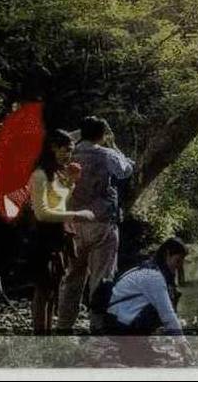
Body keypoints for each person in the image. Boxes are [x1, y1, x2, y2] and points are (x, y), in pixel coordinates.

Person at [55, 116, 135, 332]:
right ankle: (97, 325)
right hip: (101, 223)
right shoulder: (107, 154)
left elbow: (57, 141)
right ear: (101, 135)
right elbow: (125, 171)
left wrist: (81, 133)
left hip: (72, 222)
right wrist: (114, 146)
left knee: (72, 276)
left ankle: (64, 325)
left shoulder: (67, 152)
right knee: (101, 277)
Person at [27, 129, 95, 334]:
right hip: (42, 236)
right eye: (65, 150)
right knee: (42, 290)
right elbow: (42, 213)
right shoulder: (39, 174)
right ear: (52, 148)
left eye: (71, 151)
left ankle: (47, 338)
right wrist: (77, 215)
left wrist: (72, 182)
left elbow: (60, 204)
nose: (68, 155)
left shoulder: (58, 174)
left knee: (52, 290)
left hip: (60, 236)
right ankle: (40, 337)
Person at [103, 237, 189, 336]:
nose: (179, 267)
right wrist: (183, 346)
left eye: (181, 262)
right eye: (177, 261)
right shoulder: (154, 277)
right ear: (167, 254)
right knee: (160, 308)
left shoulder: (149, 267)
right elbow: (168, 314)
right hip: (119, 325)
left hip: (116, 318)